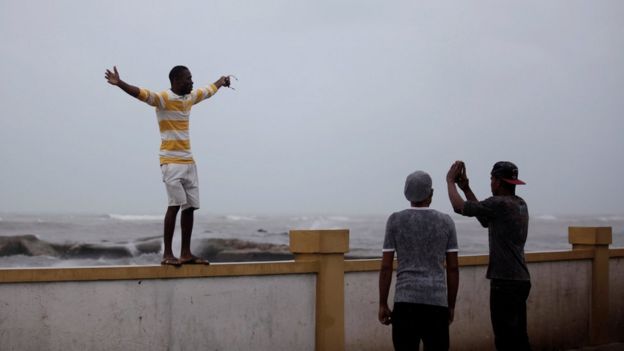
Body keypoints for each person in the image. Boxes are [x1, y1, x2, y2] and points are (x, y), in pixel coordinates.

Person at [104, 65, 230, 266]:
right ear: (176, 81)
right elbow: (142, 94)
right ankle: (168, 254)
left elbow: (208, 91)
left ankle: (186, 253)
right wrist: (119, 83)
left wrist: (221, 82)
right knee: (174, 206)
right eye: (188, 79)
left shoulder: (189, 99)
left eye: (191, 78)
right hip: (170, 162)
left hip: (189, 161)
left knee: (190, 208)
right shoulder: (163, 99)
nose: (192, 82)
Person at [446, 160, 531, 351]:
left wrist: (450, 182)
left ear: (499, 182)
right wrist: (466, 188)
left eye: (492, 179)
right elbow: (485, 218)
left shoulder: (498, 203)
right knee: (519, 338)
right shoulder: (519, 204)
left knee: (504, 340)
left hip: (504, 281)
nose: (491, 183)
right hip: (521, 280)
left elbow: (459, 207)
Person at [379, 170, 459, 350]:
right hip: (436, 303)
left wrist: (383, 303)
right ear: (430, 194)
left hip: (404, 303)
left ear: (406, 193)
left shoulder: (395, 220)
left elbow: (386, 267)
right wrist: (450, 306)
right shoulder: (446, 222)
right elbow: (453, 269)